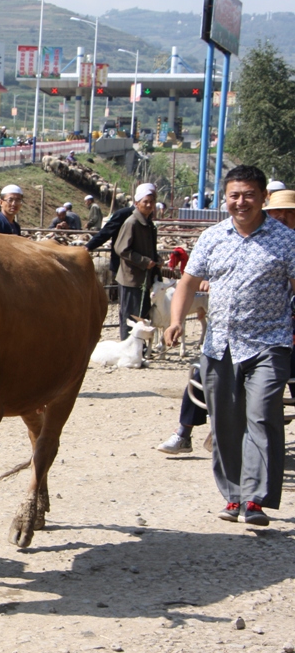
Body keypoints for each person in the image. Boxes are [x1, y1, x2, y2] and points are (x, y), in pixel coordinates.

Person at [164, 165, 295, 527]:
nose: (241, 202)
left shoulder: (285, 241)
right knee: (225, 424)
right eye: (235, 195)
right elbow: (189, 283)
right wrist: (176, 321)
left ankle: (255, 499)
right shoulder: (212, 237)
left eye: (249, 194)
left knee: (263, 415)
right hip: (219, 345)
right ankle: (234, 496)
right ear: (225, 198)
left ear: (264, 198)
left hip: (270, 342)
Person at [113, 183, 159, 340]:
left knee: (142, 313)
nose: (148, 205)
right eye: (145, 201)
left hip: (144, 277)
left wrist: (156, 259)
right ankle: (128, 345)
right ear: (137, 203)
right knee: (130, 315)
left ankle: (140, 346)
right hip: (131, 278)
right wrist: (144, 261)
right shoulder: (132, 222)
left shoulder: (148, 224)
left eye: (151, 202)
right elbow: (121, 249)